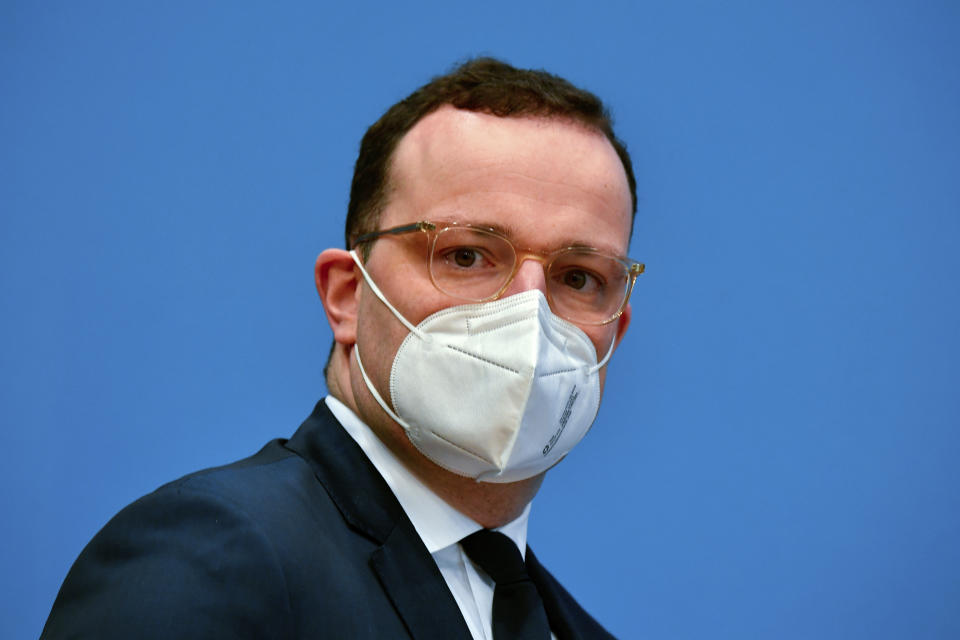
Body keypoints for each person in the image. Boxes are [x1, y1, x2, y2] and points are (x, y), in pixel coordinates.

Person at [41, 57, 644, 639]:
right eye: (466, 255)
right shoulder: (206, 559)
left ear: (613, 336)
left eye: (578, 277)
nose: (528, 312)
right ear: (348, 296)